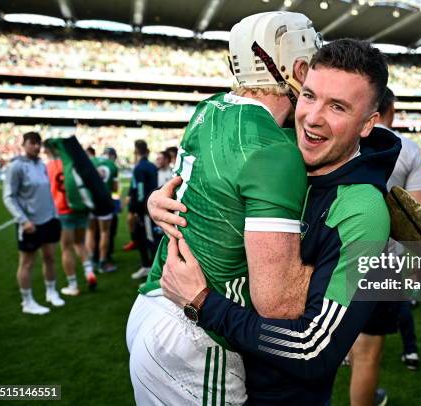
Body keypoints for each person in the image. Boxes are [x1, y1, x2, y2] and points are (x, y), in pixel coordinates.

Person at [157, 39, 400, 405]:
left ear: (368, 124)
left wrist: (202, 303)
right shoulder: (288, 151)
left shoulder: (361, 211)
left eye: (337, 107)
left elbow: (313, 350)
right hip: (227, 377)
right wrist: (166, 199)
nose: (313, 117)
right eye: (309, 96)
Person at [126, 11, 321, 405]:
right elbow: (276, 302)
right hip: (195, 334)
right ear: (298, 67)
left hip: (152, 304)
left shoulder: (209, 107)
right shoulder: (272, 149)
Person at [349, 88, 421, 406]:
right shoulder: (407, 149)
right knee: (370, 351)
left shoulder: (348, 138)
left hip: (338, 251)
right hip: (384, 260)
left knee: (345, 336)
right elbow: (420, 215)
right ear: (392, 109)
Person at [3, 131, 64, 315]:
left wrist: (54, 214)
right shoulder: (16, 166)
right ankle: (27, 301)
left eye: (39, 143)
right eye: (32, 143)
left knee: (50, 257)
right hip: (30, 223)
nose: (36, 146)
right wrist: (23, 220)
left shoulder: (41, 164)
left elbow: (47, 193)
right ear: (24, 144)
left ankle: (51, 292)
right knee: (27, 263)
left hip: (48, 220)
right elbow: (9, 197)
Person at [44, 144, 97, 295]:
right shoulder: (72, 163)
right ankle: (89, 272)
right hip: (80, 209)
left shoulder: (49, 166)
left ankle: (73, 285)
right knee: (79, 243)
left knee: (66, 248)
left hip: (62, 210)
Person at [127, 139, 160, 280]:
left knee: (148, 238)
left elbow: (140, 190)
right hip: (151, 204)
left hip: (144, 209)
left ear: (135, 151)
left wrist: (136, 210)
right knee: (145, 237)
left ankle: (154, 272)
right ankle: (147, 266)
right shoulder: (152, 166)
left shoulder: (139, 167)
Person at [85, 147, 118, 273]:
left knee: (90, 231)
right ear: (112, 156)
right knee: (105, 232)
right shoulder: (112, 166)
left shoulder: (92, 160)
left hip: (90, 199)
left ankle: (91, 261)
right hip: (104, 200)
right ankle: (102, 262)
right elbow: (115, 189)